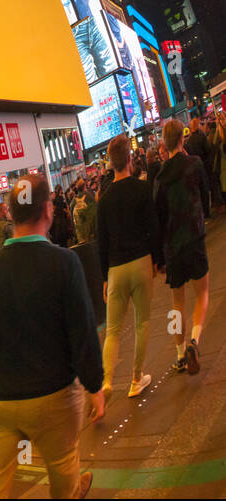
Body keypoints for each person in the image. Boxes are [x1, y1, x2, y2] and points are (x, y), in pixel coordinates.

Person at [0, 172, 104, 499]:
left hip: (1, 401)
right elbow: (82, 331)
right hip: (53, 396)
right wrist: (94, 385)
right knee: (62, 465)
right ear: (48, 210)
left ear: (10, 215)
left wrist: (4, 376)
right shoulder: (64, 262)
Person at [96, 136, 162, 401]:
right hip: (141, 261)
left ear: (111, 163)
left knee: (112, 329)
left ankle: (107, 381)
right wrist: (157, 260)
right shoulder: (142, 189)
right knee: (141, 322)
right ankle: (136, 379)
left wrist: (104, 277)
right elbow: (153, 228)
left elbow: (101, 242)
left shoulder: (104, 199)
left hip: (115, 269)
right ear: (130, 159)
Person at [154, 118, 212, 375]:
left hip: (172, 247)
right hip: (194, 238)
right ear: (182, 139)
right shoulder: (194, 164)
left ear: (164, 145)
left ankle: (179, 354)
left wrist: (159, 257)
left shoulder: (159, 178)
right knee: (203, 294)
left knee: (177, 303)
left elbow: (158, 217)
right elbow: (205, 191)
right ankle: (195, 342)